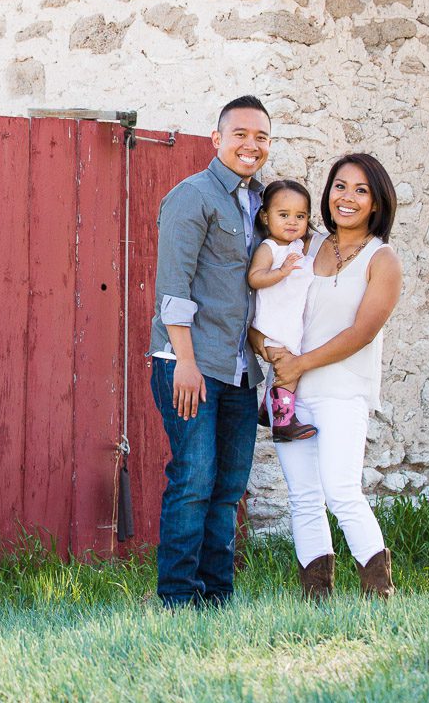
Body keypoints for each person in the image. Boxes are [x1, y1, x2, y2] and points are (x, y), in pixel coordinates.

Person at [149, 94, 271, 608]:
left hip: (240, 370)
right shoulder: (192, 196)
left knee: (227, 490)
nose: (251, 145)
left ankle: (217, 598)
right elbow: (173, 288)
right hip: (190, 364)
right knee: (194, 481)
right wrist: (186, 363)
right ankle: (178, 599)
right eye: (240, 134)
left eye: (261, 137)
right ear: (217, 139)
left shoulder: (261, 203)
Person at [266, 152, 403, 600]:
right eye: (340, 186)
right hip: (291, 394)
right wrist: (267, 348)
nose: (347, 197)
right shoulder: (306, 247)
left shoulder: (382, 260)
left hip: (343, 393)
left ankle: (379, 594)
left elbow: (362, 333)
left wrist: (301, 363)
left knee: (342, 491)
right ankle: (317, 598)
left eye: (361, 190)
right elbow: (270, 306)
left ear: (376, 202)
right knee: (304, 497)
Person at [247, 179, 319, 443]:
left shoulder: (298, 247)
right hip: (272, 324)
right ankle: (283, 421)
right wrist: (281, 272)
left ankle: (267, 409)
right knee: (288, 369)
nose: (292, 222)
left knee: (289, 365)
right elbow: (255, 278)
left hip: (289, 323)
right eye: (284, 215)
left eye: (300, 216)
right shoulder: (270, 248)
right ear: (266, 217)